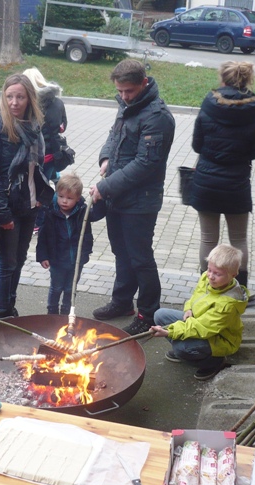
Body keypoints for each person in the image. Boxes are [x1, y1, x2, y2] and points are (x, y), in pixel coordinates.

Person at [90, 59, 176, 335]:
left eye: (129, 91)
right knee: (121, 252)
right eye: (120, 91)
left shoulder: (158, 117)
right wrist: (105, 157)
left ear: (144, 83)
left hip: (141, 201)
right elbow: (114, 137)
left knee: (140, 259)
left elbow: (145, 164)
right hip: (118, 196)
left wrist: (105, 187)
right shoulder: (128, 106)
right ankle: (122, 301)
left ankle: (148, 315)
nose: (124, 96)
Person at [189, 61, 255, 302]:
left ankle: (206, 289)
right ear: (247, 79)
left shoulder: (209, 101)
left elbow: (197, 144)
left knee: (208, 238)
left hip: (206, 180)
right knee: (239, 239)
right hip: (236, 182)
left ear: (222, 78)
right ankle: (239, 293)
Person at [0, 73, 54, 319]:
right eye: (10, 96)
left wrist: (42, 196)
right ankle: (3, 313)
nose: (14, 102)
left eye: (20, 97)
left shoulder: (34, 125)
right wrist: (2, 213)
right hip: (7, 206)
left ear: (29, 98)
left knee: (20, 259)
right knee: (6, 263)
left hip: (30, 204)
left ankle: (11, 305)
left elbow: (38, 166)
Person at [150, 244, 248, 381]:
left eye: (217, 274)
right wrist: (188, 308)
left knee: (181, 349)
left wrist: (169, 332)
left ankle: (214, 362)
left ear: (233, 275)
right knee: (160, 315)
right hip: (196, 321)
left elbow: (202, 327)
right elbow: (196, 295)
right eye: (209, 270)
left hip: (218, 338)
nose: (211, 276)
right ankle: (187, 349)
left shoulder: (228, 304)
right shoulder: (208, 279)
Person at [36, 173, 105, 315]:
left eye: (69, 198)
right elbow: (43, 237)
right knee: (56, 287)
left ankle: (66, 312)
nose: (64, 201)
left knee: (70, 288)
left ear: (78, 198)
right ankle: (52, 312)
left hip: (77, 260)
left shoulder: (82, 211)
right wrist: (43, 256)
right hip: (57, 259)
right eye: (61, 196)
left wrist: (99, 199)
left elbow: (97, 214)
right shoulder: (51, 213)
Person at [22, 67, 68, 231]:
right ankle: (50, 215)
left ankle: (39, 221)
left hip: (35, 154)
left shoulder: (30, 103)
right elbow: (63, 126)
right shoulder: (58, 102)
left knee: (39, 189)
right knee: (47, 182)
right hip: (52, 153)